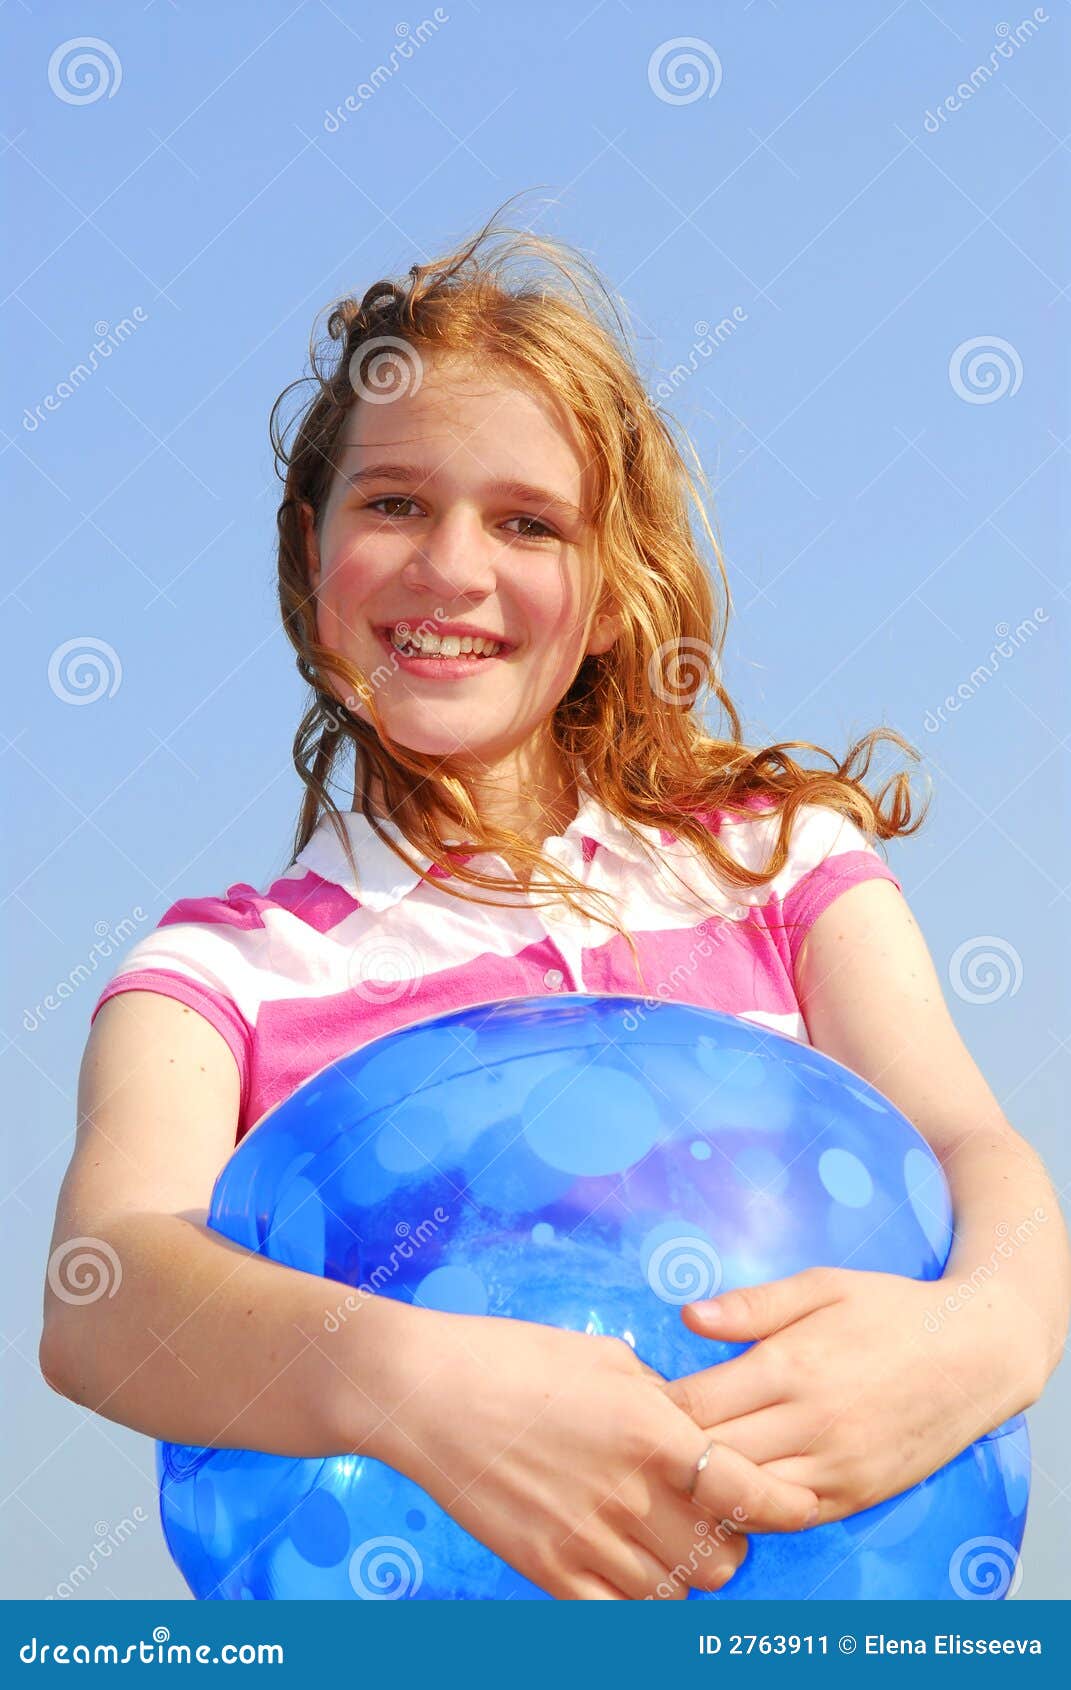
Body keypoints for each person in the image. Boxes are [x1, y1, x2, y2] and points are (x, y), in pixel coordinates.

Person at [38, 203, 1070, 1602]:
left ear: (603, 590)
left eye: (528, 521)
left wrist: (987, 1333)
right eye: (395, 501)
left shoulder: (783, 865)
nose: (453, 567)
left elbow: (973, 1152)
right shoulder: (220, 973)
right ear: (309, 553)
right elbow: (101, 1291)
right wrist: (410, 1385)